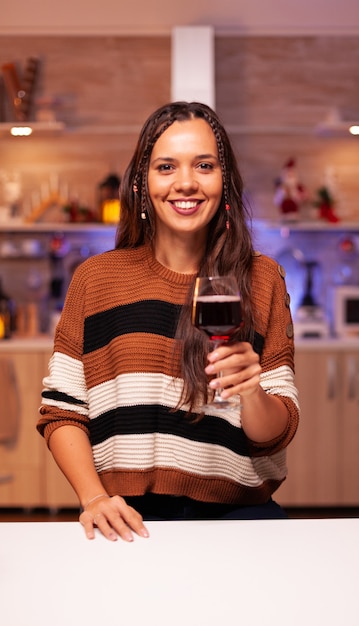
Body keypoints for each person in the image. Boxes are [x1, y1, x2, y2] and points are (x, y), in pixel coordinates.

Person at [37, 101, 300, 541]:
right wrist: (94, 498)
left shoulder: (261, 277)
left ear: (225, 180)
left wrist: (252, 391)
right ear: (142, 183)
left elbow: (276, 432)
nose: (186, 183)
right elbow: (63, 411)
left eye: (204, 165)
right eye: (165, 167)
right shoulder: (97, 278)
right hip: (127, 521)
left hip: (239, 522)